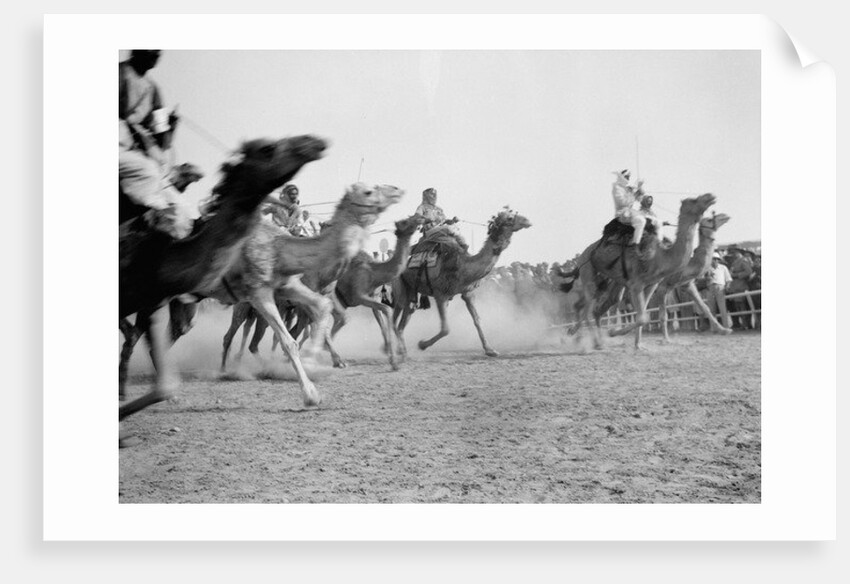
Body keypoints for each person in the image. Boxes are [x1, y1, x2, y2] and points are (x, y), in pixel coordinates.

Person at [119, 50, 182, 234]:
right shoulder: (119, 72)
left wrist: (171, 126)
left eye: (157, 53)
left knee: (174, 200)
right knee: (147, 173)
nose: (156, 55)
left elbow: (161, 131)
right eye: (152, 51)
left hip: (134, 146)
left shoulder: (154, 90)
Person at [610, 169, 652, 247]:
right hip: (622, 214)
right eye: (626, 177)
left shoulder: (627, 188)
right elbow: (622, 202)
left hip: (630, 213)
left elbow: (640, 199)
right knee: (641, 221)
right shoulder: (616, 188)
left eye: (629, 177)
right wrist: (633, 194)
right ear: (621, 176)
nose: (628, 179)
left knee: (651, 220)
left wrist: (640, 187)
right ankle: (634, 246)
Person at [704, 252, 732, 330]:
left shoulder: (723, 267)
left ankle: (726, 326)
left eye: (716, 259)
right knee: (711, 309)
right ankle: (714, 328)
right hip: (710, 288)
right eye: (713, 259)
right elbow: (701, 279)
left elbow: (728, 279)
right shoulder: (706, 269)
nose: (715, 260)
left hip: (720, 287)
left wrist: (727, 287)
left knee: (722, 308)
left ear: (719, 260)